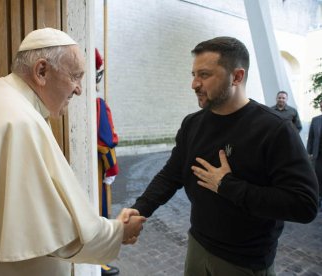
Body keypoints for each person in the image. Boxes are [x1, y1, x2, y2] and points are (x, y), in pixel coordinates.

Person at [0, 28, 146, 276]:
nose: (79, 90)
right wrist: (118, 232)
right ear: (41, 71)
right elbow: (55, 232)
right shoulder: (19, 120)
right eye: (75, 76)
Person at [132, 36, 318, 276]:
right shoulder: (192, 123)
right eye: (193, 74)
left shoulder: (274, 129)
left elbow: (305, 205)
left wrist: (228, 186)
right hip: (198, 246)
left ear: (237, 77)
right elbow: (172, 174)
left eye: (205, 75)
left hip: (245, 261)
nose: (194, 84)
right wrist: (140, 209)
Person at [95, 48, 120, 276]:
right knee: (100, 212)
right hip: (95, 169)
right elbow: (107, 140)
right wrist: (112, 168)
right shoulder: (97, 104)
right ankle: (99, 262)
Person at [307, 102, 322, 209]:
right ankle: (319, 199)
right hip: (318, 155)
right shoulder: (316, 119)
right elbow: (311, 137)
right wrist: (309, 152)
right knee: (318, 177)